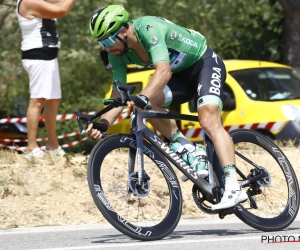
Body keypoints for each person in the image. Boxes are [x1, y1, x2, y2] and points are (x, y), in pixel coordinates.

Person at [86, 5, 248, 210]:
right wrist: (103, 123)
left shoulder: (148, 29)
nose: (107, 48)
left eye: (109, 41)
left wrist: (143, 96)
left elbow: (162, 72)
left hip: (204, 64)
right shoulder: (115, 54)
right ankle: (189, 150)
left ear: (124, 31)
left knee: (208, 120)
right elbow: (117, 94)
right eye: (102, 43)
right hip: (180, 77)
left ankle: (233, 186)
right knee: (146, 106)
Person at [16, 0, 75, 158]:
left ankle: (52, 145)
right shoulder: (29, 2)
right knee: (38, 100)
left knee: (54, 100)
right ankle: (31, 147)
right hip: (37, 55)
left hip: (49, 56)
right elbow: (62, 10)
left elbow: (58, 3)